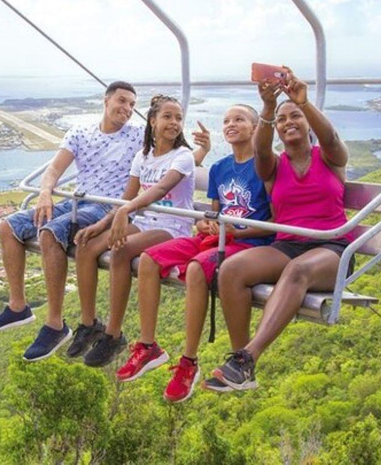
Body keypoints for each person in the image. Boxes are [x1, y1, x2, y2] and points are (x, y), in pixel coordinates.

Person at [0, 82, 211, 363]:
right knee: (11, 225)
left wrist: (202, 151)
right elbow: (56, 168)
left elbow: (173, 165)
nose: (126, 109)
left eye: (131, 105)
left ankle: (65, 326)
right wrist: (45, 193)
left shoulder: (141, 137)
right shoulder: (88, 134)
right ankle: (24, 308)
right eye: (122, 101)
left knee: (57, 234)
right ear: (106, 100)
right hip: (92, 204)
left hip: (117, 208)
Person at [206, 66, 354, 392]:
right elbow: (260, 150)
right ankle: (241, 362)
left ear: (308, 124)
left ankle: (248, 357)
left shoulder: (329, 157)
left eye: (296, 117)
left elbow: (330, 137)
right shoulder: (273, 166)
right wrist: (270, 107)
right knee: (230, 270)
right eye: (283, 120)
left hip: (331, 247)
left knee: (299, 271)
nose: (289, 123)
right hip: (285, 245)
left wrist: (303, 101)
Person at [114, 104, 275, 402]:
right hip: (216, 238)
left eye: (239, 119)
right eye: (226, 120)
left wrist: (231, 231)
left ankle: (189, 362)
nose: (230, 124)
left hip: (247, 244)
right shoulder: (219, 168)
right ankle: (148, 345)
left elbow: (274, 222)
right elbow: (216, 214)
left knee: (197, 268)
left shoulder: (266, 167)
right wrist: (206, 223)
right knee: (150, 259)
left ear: (256, 127)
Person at [70, 95, 197, 367]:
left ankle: (113, 333)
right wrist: (101, 224)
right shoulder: (143, 156)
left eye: (178, 118)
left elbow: (160, 189)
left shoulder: (183, 156)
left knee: (121, 251)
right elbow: (127, 198)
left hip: (172, 226)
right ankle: (88, 322)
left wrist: (126, 213)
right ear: (152, 121)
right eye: (167, 117)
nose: (174, 123)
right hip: (146, 221)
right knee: (87, 245)